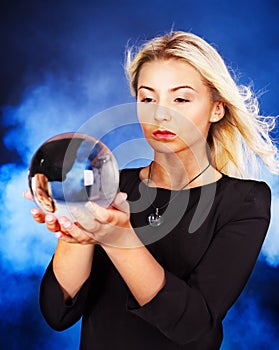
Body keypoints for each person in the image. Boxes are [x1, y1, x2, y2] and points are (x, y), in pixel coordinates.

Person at [25, 31, 278, 349]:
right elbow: (56, 315)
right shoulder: (108, 186)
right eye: (148, 98)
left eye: (181, 99)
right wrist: (75, 237)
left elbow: (191, 325)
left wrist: (119, 240)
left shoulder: (244, 201)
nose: (161, 113)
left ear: (217, 109)